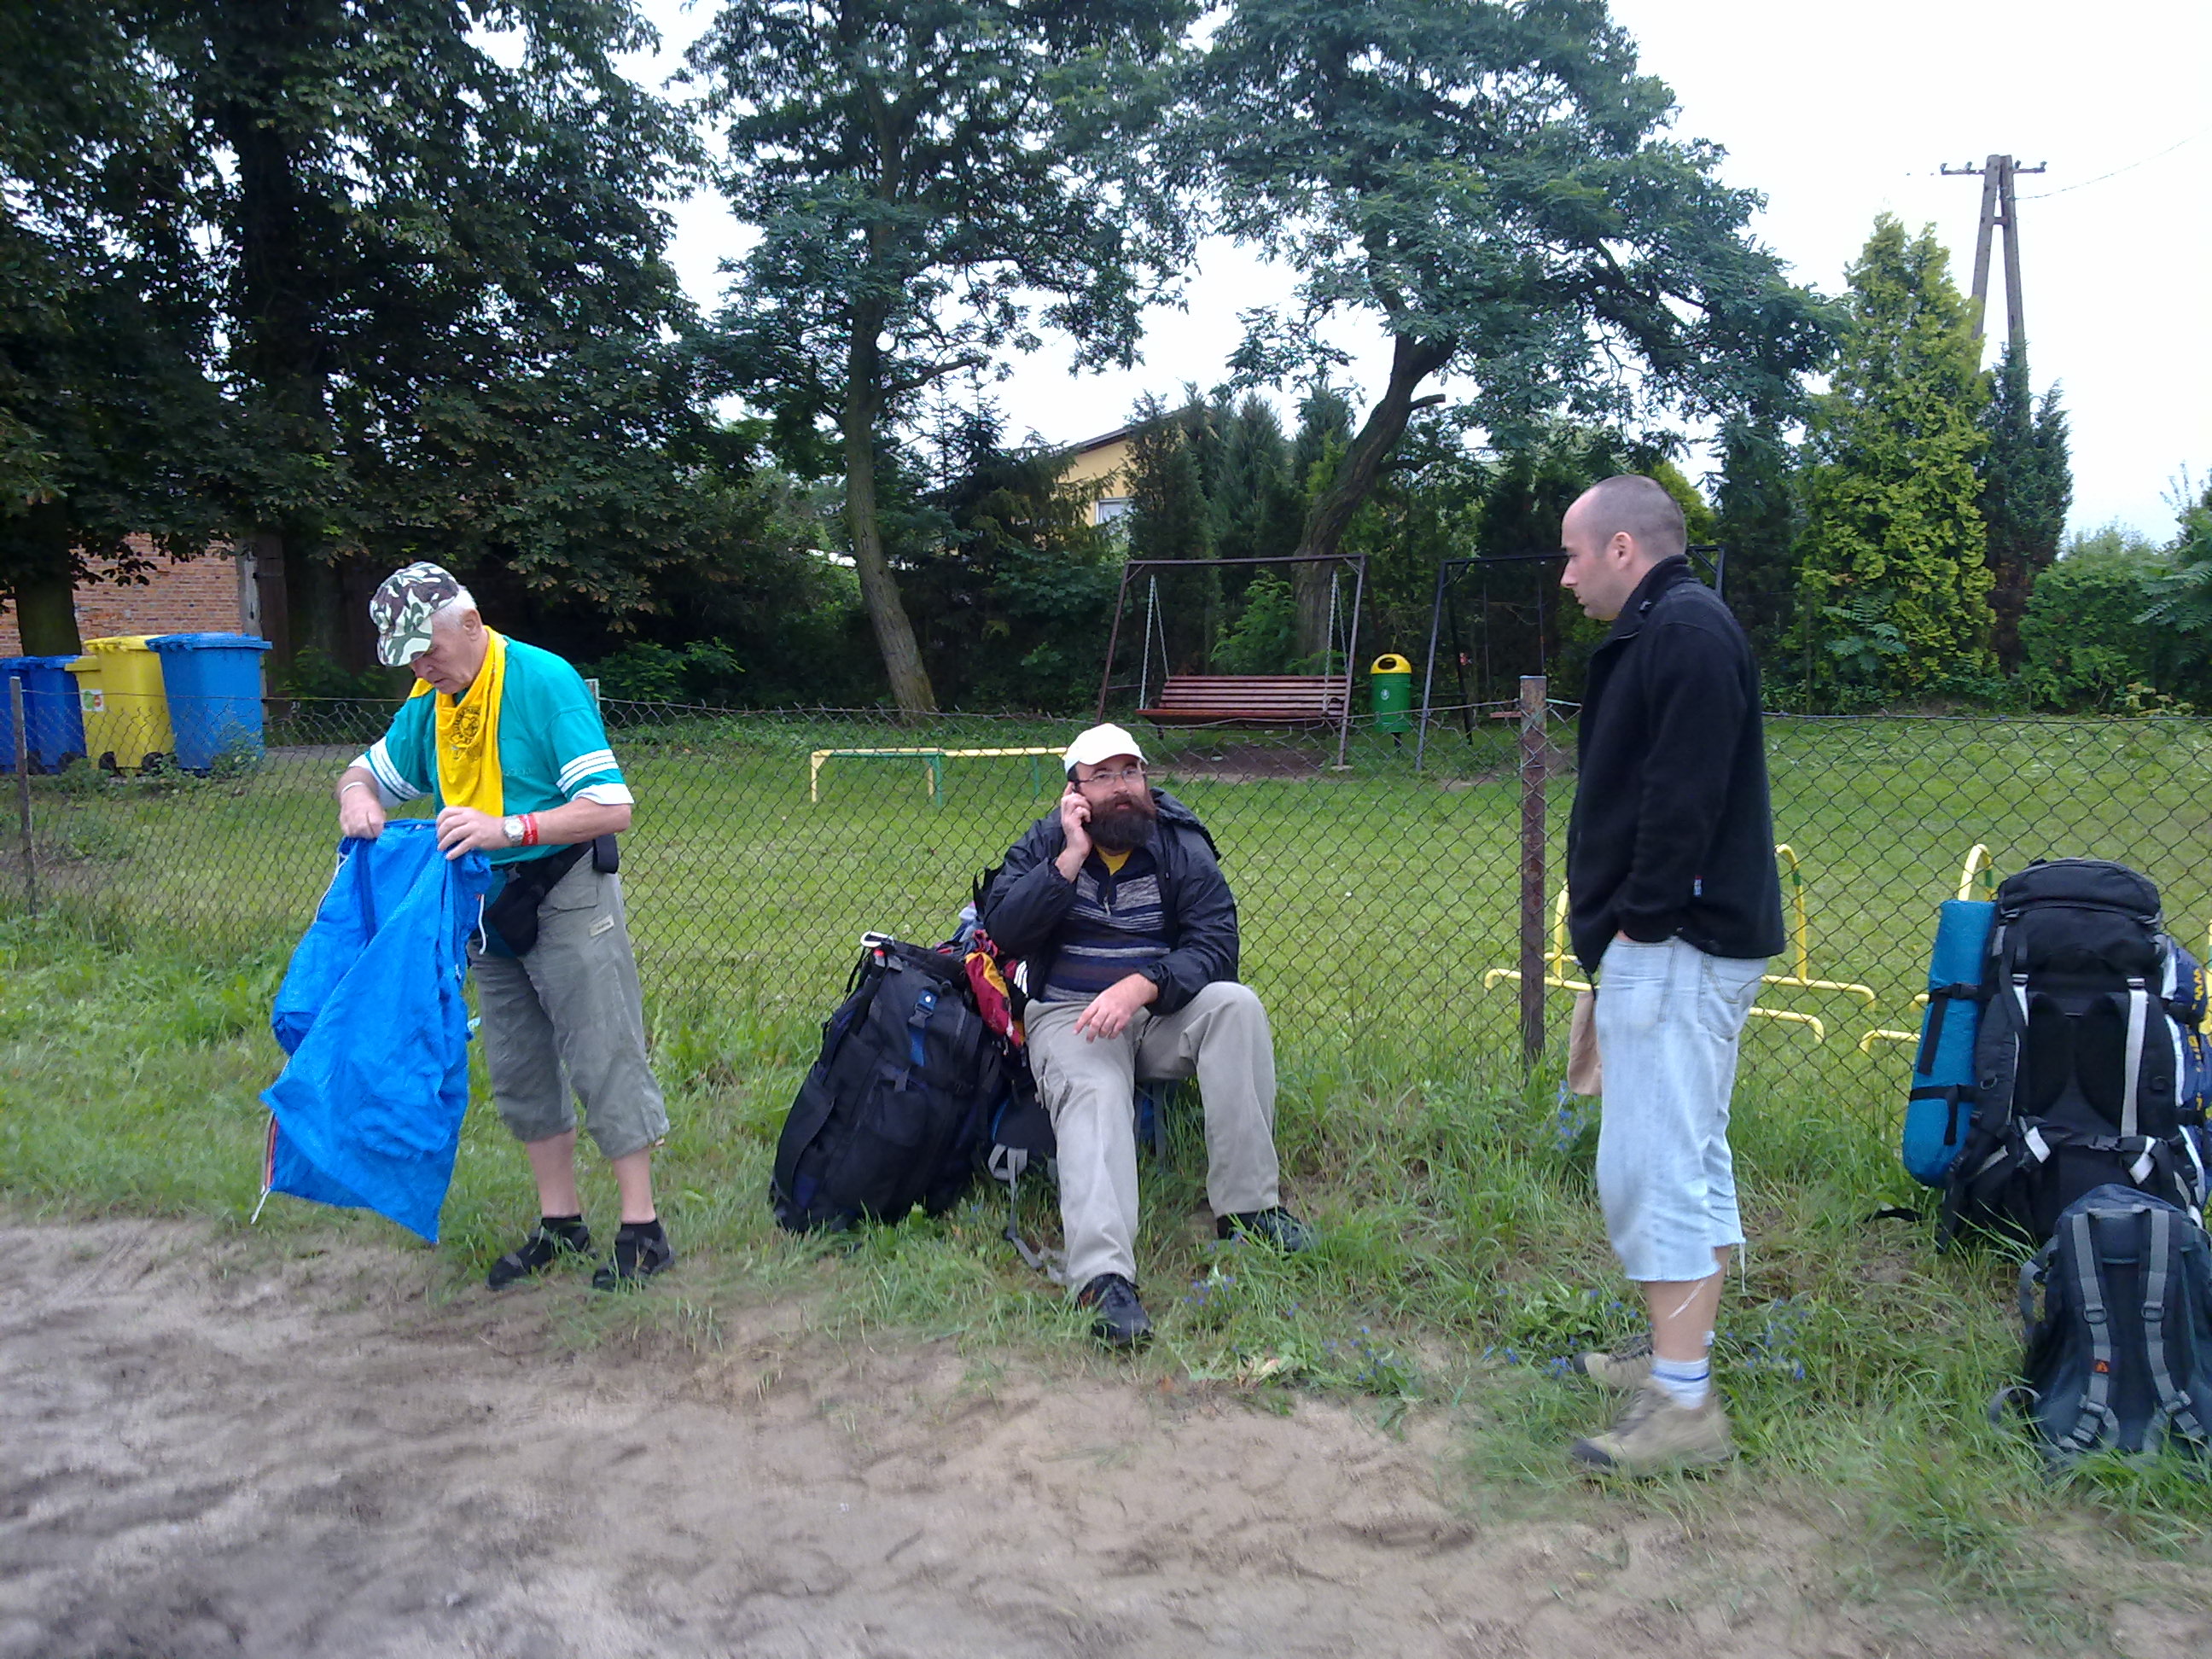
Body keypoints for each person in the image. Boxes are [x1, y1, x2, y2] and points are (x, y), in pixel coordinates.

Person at [334, 562, 675, 1292]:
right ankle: (561, 1223)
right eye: (408, 659)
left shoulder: (543, 681)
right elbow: (365, 773)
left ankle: (643, 1230)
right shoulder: (432, 700)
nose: (421, 669)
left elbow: (611, 806)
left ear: (470, 623)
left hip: (565, 893)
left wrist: (508, 829)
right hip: (483, 909)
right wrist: (356, 799)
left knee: (603, 1055)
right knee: (519, 1067)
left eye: (427, 650)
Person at [1557, 475, 1784, 1475]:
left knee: (1654, 1167)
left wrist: (1637, 929)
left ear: (1622, 548)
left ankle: (1684, 1404)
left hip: (1678, 943)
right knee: (1683, 1152)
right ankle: (1672, 1353)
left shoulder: (1685, 630)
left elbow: (1681, 801)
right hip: (1676, 944)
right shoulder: (1668, 626)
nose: (1565, 577)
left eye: (1573, 555)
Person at [981, 723, 1310, 1348]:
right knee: (1097, 1093)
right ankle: (1102, 1279)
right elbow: (1004, 932)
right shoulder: (1045, 844)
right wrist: (1068, 859)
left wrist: (1143, 986)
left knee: (1236, 1007)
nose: (1122, 788)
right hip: (1072, 1016)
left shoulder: (1180, 843)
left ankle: (1250, 1212)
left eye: (1130, 772)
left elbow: (1217, 945)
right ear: (1075, 793)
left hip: (1158, 1011)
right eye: (1103, 777)